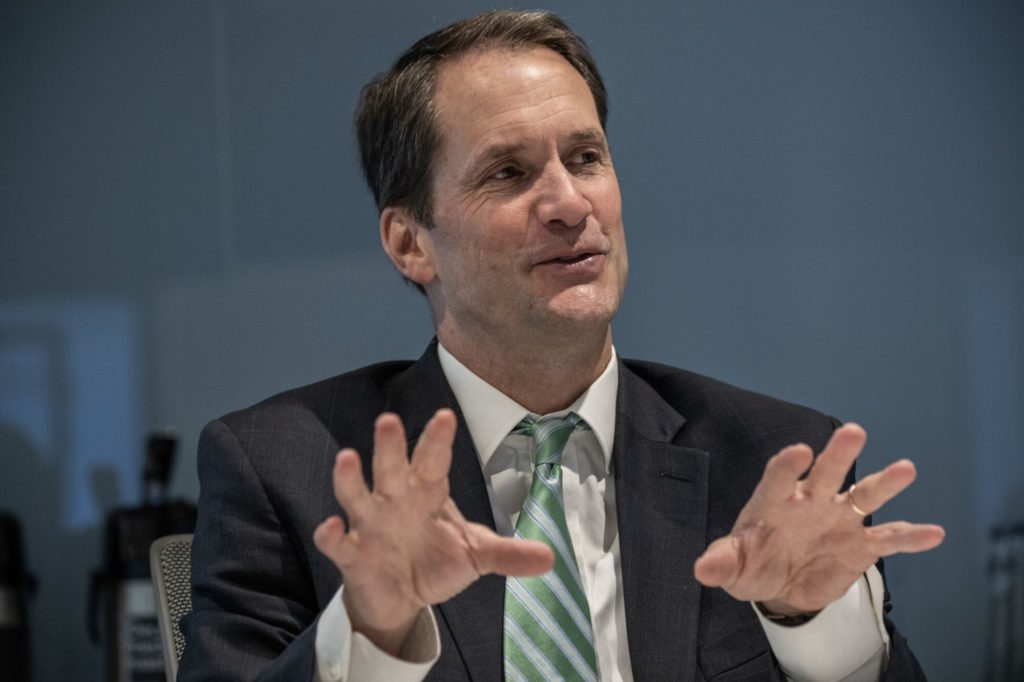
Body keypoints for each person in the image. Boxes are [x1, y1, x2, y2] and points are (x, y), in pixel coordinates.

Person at [178, 10, 944, 681]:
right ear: (411, 243)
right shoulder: (286, 471)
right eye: (508, 172)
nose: (570, 204)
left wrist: (820, 629)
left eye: (585, 158)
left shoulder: (775, 463)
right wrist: (372, 633)